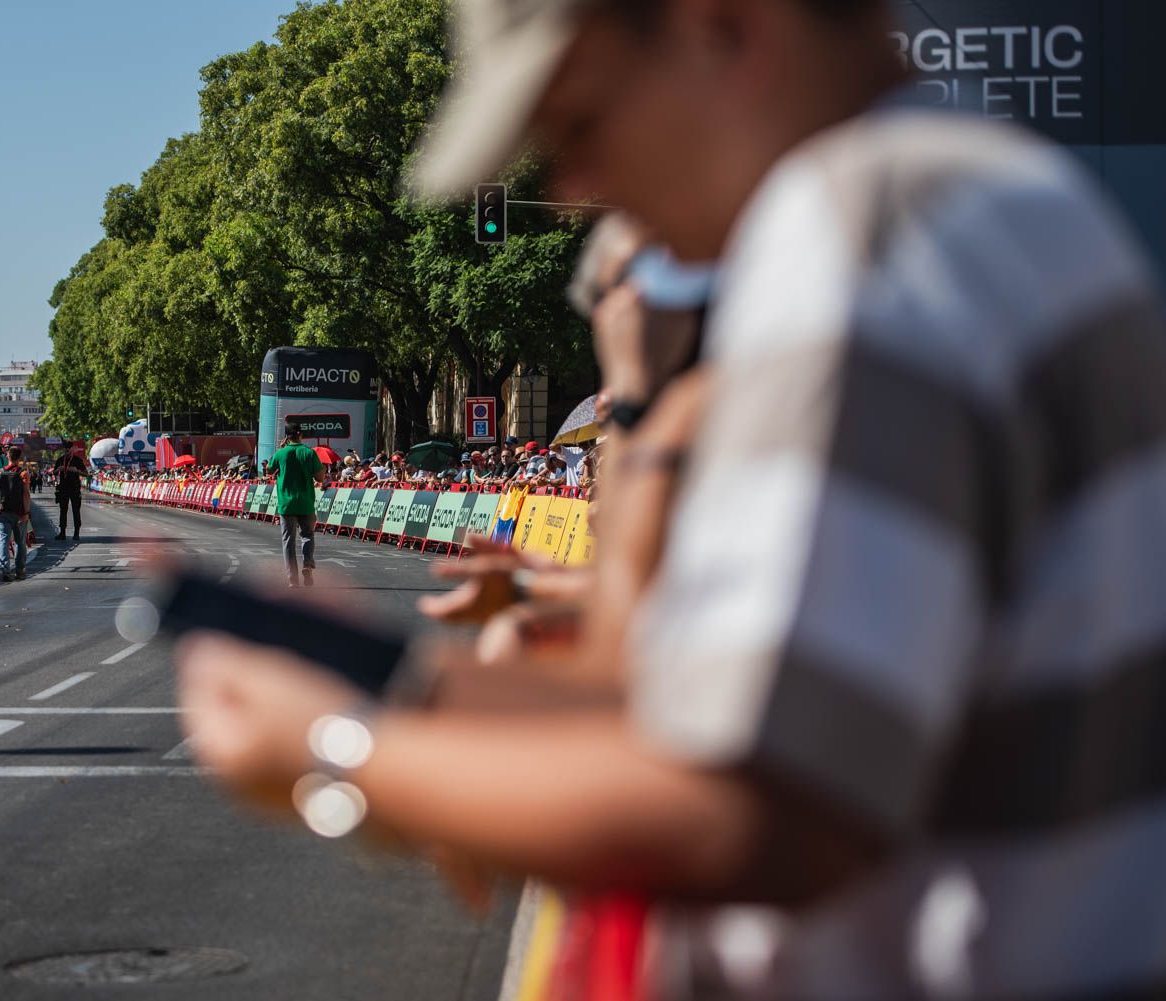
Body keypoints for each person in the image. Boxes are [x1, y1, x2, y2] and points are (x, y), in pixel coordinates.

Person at [181, 0, 1166, 998]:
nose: (576, 188)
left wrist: (336, 749)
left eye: (580, 122)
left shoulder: (862, 229)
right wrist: (403, 685)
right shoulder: (977, 202)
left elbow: (763, 803)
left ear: (719, 24)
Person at [267, 420, 324, 587]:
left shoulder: (281, 454)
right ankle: (307, 564)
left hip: (286, 504)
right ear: (300, 434)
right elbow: (319, 478)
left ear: (287, 436)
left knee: (288, 541)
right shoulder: (309, 453)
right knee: (307, 535)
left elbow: (269, 470)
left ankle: (292, 579)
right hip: (305, 503)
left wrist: (280, 449)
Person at [0, 444, 30, 582]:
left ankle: (5, 569)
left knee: (3, 541)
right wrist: (26, 512)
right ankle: (20, 571)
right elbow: (26, 495)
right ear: (19, 458)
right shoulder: (23, 473)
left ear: (8, 456)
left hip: (2, 512)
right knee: (20, 542)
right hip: (19, 513)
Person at [51, 443, 87, 540]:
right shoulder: (60, 460)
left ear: (72, 449)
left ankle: (76, 533)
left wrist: (77, 471)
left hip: (74, 488)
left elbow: (86, 474)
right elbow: (53, 473)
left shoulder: (77, 460)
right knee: (63, 510)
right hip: (63, 488)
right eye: (65, 449)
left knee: (76, 510)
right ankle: (62, 533)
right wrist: (58, 469)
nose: (67, 451)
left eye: (69, 449)